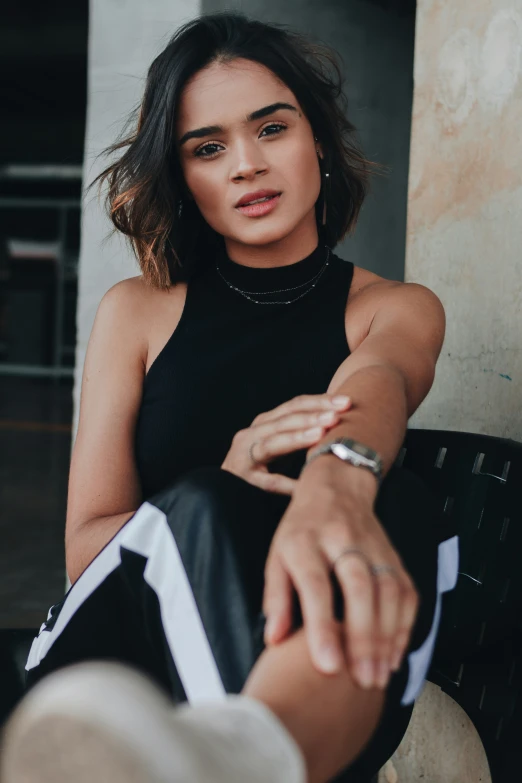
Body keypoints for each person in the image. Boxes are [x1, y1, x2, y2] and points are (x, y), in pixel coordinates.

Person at [1, 11, 459, 783]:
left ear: (316, 138)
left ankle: (244, 750)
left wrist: (336, 484)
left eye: (270, 129)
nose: (245, 164)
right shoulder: (138, 312)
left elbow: (378, 379)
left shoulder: (394, 307)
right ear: (185, 176)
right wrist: (222, 483)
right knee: (211, 502)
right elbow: (88, 548)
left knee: (401, 502)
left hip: (294, 655)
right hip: (117, 661)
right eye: (208, 148)